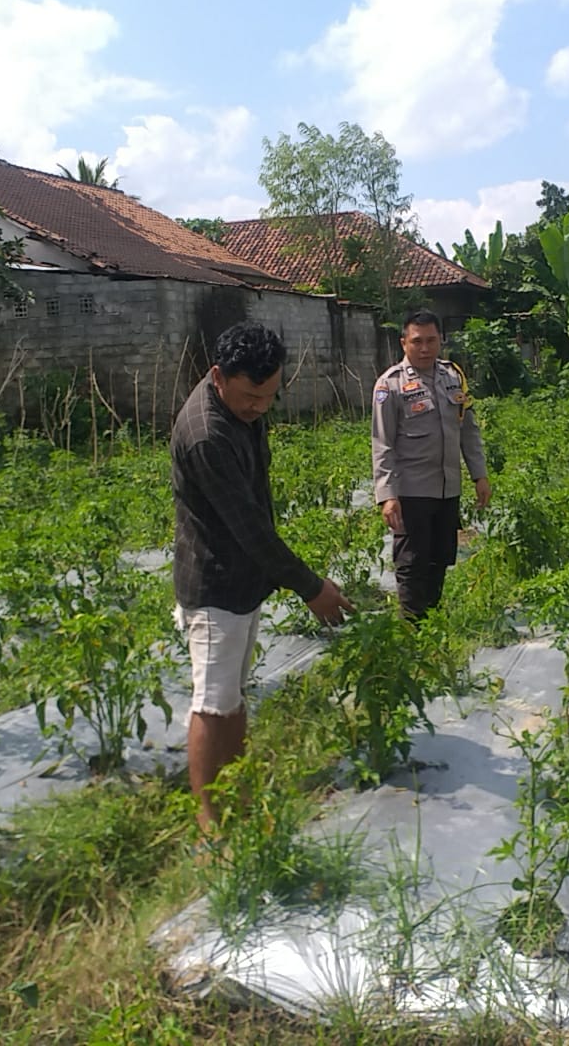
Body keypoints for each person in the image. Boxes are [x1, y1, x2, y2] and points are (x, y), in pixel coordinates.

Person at [171, 323, 355, 832]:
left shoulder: (240, 409)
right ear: (218, 376)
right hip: (215, 584)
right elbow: (249, 527)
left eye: (269, 396)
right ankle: (211, 826)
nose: (259, 407)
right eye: (251, 397)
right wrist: (311, 588)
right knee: (211, 704)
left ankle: (239, 797)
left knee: (231, 696)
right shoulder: (207, 435)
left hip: (243, 579)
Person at [371, 309, 491, 620]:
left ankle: (432, 622)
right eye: (417, 341)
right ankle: (413, 630)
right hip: (411, 491)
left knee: (440, 558)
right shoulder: (390, 385)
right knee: (412, 562)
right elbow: (382, 444)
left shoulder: (453, 378)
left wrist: (479, 475)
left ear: (441, 341)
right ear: (404, 343)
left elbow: (468, 430)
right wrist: (387, 496)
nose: (424, 348)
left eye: (431, 341)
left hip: (447, 488)